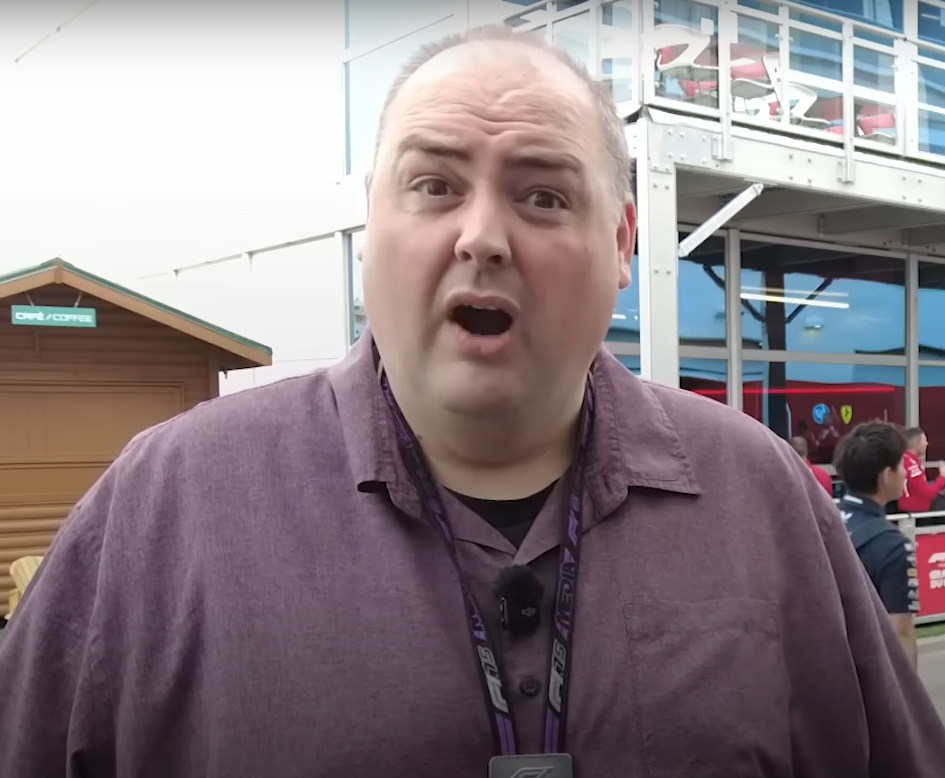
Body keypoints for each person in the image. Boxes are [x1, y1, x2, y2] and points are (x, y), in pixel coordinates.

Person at [2, 24, 945, 778]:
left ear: (622, 242)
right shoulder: (171, 500)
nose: (482, 236)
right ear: (370, 223)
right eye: (433, 186)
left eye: (543, 197)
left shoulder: (756, 494)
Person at [834, 423, 919, 668]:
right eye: (900, 465)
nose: (904, 473)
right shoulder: (892, 546)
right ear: (885, 476)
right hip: (864, 671)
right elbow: (900, 630)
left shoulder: (820, 523)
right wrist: (906, 689)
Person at [899, 426, 945, 514]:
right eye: (924, 441)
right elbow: (927, 494)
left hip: (913, 509)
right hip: (915, 512)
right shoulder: (911, 464)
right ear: (917, 443)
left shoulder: (906, 459)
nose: (926, 444)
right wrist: (942, 477)